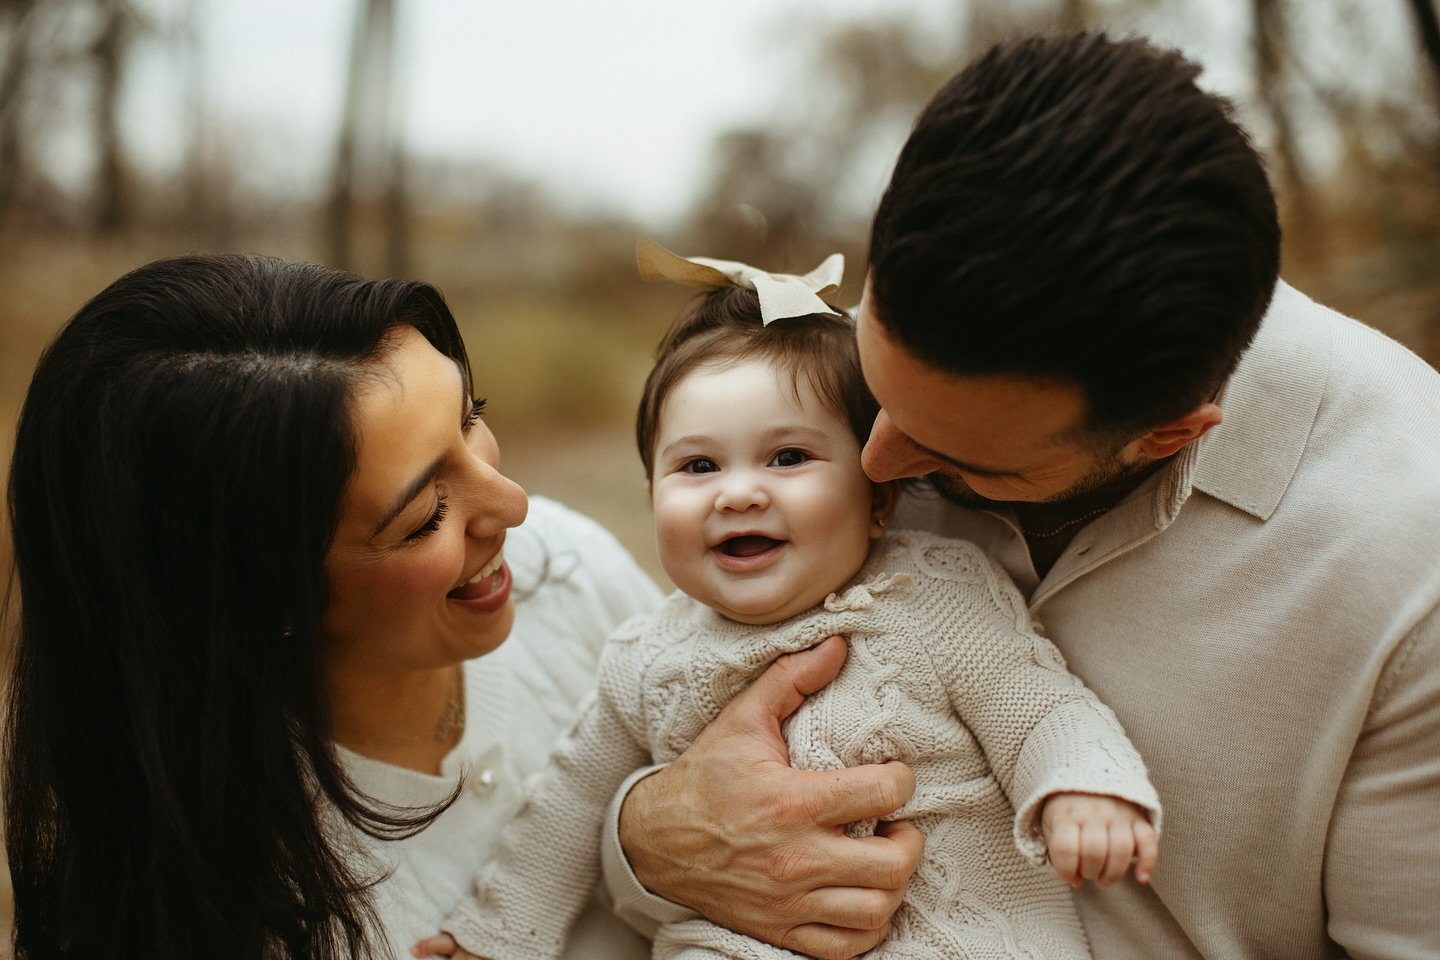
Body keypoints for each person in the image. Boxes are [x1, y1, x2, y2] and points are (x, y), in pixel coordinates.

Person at [607, 32, 1440, 960]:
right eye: (879, 391)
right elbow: (683, 687)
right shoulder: (872, 372)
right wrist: (650, 837)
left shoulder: (1413, 565)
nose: (878, 462)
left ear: (1169, 436)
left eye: (958, 462)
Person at [417, 241, 1159, 960]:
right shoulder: (646, 658)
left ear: (880, 499)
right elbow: (566, 809)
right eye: (698, 465)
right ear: (651, 497)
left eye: (789, 457)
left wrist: (1085, 788)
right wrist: (497, 937)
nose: (741, 492)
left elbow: (1038, 707)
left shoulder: (937, 595)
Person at [1, 253, 664, 960]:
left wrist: (639, 841)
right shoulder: (236, 911)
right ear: (260, 597)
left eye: (471, 419)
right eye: (426, 516)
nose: (514, 505)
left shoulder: (566, 570)